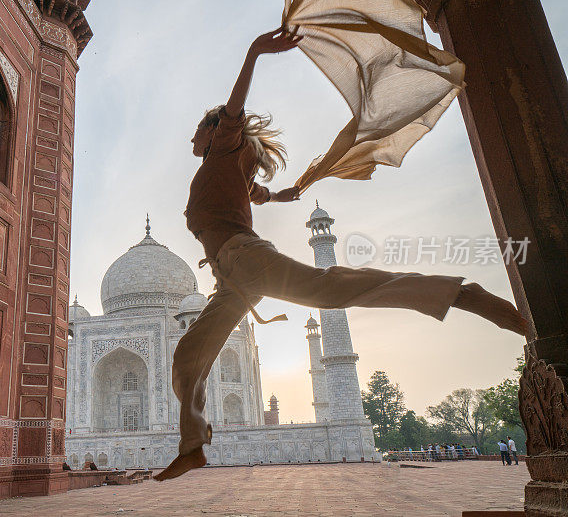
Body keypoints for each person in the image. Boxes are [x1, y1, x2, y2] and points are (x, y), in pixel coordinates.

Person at [152, 27, 530, 482]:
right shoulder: (222, 167)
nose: (193, 138)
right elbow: (252, 192)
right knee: (188, 358)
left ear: (216, 131)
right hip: (230, 278)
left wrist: (254, 51)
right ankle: (193, 445)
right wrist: (282, 196)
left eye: (199, 129)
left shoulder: (225, 145)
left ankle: (462, 294)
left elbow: (235, 109)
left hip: (245, 258)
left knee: (334, 290)